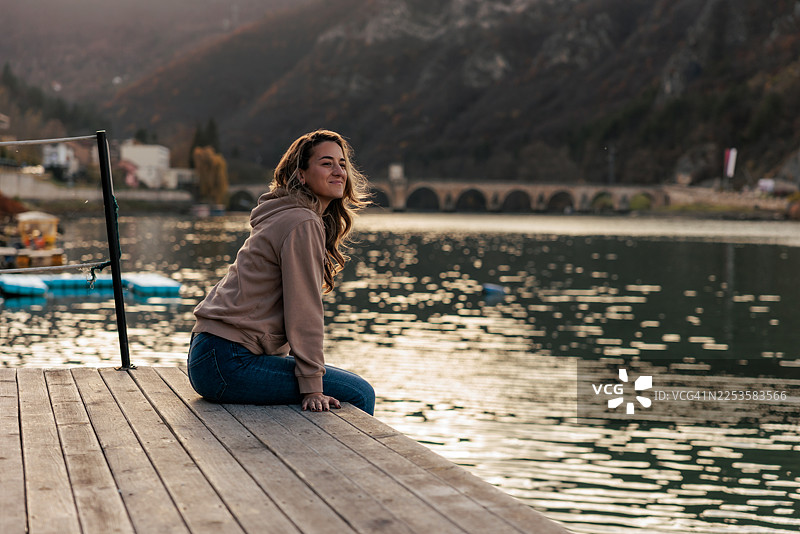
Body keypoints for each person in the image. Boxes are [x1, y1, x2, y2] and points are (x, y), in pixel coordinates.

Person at [188, 129, 375, 415]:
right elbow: (304, 309)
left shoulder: (290, 214)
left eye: (342, 164)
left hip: (211, 354)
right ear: (301, 174)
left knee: (347, 385)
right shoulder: (302, 221)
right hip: (228, 361)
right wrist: (312, 387)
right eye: (327, 163)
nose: (339, 172)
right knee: (360, 393)